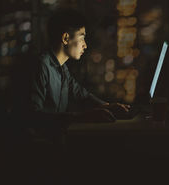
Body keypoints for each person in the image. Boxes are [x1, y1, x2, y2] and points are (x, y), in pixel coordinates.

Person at [23, 8, 130, 138]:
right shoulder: (41, 66)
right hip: (40, 148)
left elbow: (81, 94)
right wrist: (82, 117)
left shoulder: (61, 68)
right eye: (82, 38)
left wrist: (108, 106)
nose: (85, 45)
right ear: (66, 38)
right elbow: (33, 116)